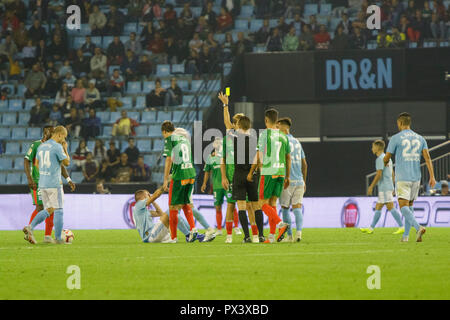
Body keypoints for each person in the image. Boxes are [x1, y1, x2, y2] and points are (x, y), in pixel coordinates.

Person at [384, 112, 436, 242]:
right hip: (416, 177)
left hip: (402, 177)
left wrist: (384, 163)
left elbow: (387, 157)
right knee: (410, 205)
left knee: (403, 207)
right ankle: (405, 237)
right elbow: (427, 158)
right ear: (409, 123)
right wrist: (432, 177)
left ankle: (418, 227)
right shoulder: (420, 138)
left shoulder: (396, 138)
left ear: (400, 123)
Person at [24, 125, 75, 243]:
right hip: (54, 183)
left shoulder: (42, 147)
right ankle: (58, 238)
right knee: (59, 210)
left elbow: (36, 164)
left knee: (49, 209)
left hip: (43, 183)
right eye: (64, 137)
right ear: (60, 134)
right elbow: (67, 163)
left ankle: (30, 227)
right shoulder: (57, 147)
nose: (64, 140)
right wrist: (66, 149)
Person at [249, 108, 290, 243]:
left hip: (268, 173)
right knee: (272, 204)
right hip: (280, 173)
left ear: (266, 120)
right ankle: (272, 236)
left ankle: (280, 223)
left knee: (261, 204)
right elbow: (288, 158)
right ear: (276, 120)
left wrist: (251, 172)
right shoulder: (284, 136)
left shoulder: (264, 134)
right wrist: (287, 176)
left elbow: (259, 155)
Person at [161, 121, 198, 242]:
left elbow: (168, 160)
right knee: (185, 202)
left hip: (179, 176)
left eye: (163, 134)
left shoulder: (170, 139)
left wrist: (165, 179)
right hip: (191, 174)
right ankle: (193, 229)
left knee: (172, 206)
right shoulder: (184, 139)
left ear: (165, 132)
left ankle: (174, 238)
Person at [361, 140, 405, 235]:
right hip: (387, 186)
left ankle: (402, 226)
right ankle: (371, 228)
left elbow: (379, 175)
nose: (372, 149)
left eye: (373, 147)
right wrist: (393, 185)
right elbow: (392, 172)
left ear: (377, 148)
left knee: (390, 207)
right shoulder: (387, 157)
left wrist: (371, 186)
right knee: (378, 206)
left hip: (385, 187)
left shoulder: (379, 159)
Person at [229, 115, 260, 243]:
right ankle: (259, 236)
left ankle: (247, 236)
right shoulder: (254, 138)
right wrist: (253, 172)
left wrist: (225, 105)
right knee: (255, 206)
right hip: (252, 174)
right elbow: (257, 158)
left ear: (239, 125)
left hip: (239, 174)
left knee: (241, 206)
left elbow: (226, 123)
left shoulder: (236, 136)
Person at [277, 117, 308, 242]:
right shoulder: (297, 142)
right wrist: (304, 181)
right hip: (299, 181)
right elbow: (305, 164)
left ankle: (289, 236)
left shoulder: (281, 141)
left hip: (286, 180)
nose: (277, 129)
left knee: (285, 208)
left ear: (284, 127)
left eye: (278, 127)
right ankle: (299, 233)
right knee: (297, 208)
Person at [201, 138, 226, 237]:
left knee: (231, 205)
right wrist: (204, 183)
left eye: (219, 142)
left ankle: (236, 227)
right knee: (218, 207)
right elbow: (207, 171)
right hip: (216, 186)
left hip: (226, 184)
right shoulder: (210, 157)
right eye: (216, 141)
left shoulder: (226, 156)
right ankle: (219, 229)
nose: (217, 143)